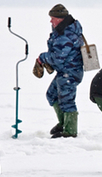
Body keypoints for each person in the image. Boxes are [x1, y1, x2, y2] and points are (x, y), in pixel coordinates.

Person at [33, 4, 84, 138]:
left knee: (67, 101)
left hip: (70, 73)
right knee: (52, 95)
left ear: (60, 19)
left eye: (53, 18)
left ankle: (70, 131)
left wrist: (42, 57)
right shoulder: (62, 32)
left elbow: (57, 59)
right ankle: (63, 123)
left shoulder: (65, 35)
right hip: (65, 72)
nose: (51, 21)